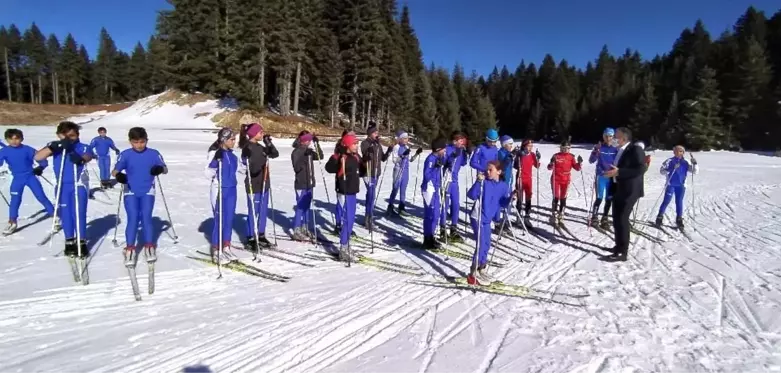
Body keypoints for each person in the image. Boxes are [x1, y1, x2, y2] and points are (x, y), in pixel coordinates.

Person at [35, 121, 94, 258]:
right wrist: (54, 146)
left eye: (72, 136)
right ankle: (69, 241)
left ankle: (81, 242)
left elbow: (88, 156)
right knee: (66, 214)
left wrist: (78, 157)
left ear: (77, 135)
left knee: (78, 214)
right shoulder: (56, 147)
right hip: (62, 186)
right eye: (65, 136)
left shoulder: (83, 147)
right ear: (59, 135)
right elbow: (38, 156)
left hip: (78, 185)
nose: (69, 139)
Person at [112, 127, 167, 267]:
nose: (139, 145)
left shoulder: (154, 153)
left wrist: (159, 169)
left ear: (146, 140)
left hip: (148, 189)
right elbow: (114, 171)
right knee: (133, 218)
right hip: (130, 190)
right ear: (130, 141)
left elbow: (165, 168)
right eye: (136, 142)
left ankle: (149, 245)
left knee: (146, 217)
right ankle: (130, 248)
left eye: (142, 142)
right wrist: (119, 176)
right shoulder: (125, 154)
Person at [602, 127, 646, 262]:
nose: (613, 139)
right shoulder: (620, 150)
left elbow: (641, 168)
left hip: (630, 190)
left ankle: (623, 252)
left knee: (622, 219)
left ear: (623, 138)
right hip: (618, 188)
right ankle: (618, 246)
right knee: (616, 218)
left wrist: (619, 172)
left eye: (616, 137)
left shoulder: (635, 149)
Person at [466, 160, 513, 285]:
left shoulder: (503, 186)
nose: (487, 172)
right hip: (478, 217)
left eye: (490, 170)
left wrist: (510, 198)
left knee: (487, 244)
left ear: (499, 171)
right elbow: (471, 195)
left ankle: (482, 268)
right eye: (487, 169)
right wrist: (478, 181)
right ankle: (473, 272)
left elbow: (502, 203)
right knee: (481, 244)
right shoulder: (484, 183)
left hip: (487, 219)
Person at [0, 129, 55, 235]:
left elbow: (41, 159)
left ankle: (55, 215)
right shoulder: (4, 151)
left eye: (17, 138)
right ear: (7, 140)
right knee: (15, 200)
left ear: (22, 139)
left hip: (30, 177)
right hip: (17, 179)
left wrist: (40, 167)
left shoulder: (28, 149)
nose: (14, 141)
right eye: (11, 139)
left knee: (41, 197)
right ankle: (12, 221)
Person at [239, 122, 279, 252]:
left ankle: (261, 235)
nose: (262, 134)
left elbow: (274, 154)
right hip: (253, 185)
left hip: (264, 184)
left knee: (263, 211)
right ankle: (250, 237)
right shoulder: (248, 148)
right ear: (253, 134)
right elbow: (253, 169)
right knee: (253, 211)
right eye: (260, 132)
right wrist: (263, 159)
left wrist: (269, 144)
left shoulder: (260, 147)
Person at [325, 133, 364, 260]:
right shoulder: (342, 157)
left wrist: (366, 162)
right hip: (344, 191)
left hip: (353, 191)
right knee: (347, 219)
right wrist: (337, 156)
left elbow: (362, 172)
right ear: (347, 144)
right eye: (354, 143)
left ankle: (346, 245)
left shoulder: (356, 157)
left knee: (351, 220)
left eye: (357, 143)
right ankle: (343, 247)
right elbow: (329, 168)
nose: (356, 145)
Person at [205, 128, 239, 261]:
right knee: (220, 219)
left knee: (229, 219)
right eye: (232, 139)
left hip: (232, 189)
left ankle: (226, 246)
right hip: (219, 189)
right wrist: (214, 162)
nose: (234, 142)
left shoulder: (232, 155)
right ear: (224, 140)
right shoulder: (214, 153)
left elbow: (241, 170)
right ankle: (216, 249)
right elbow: (207, 173)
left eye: (234, 139)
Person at [290, 131, 324, 241]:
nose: (309, 142)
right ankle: (296, 229)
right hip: (301, 184)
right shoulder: (296, 152)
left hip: (310, 183)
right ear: (303, 140)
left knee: (307, 207)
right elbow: (297, 168)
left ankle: (305, 227)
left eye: (310, 140)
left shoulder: (308, 151)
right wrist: (305, 156)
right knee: (300, 207)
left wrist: (317, 144)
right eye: (308, 140)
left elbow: (320, 156)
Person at [655, 145, 698, 229]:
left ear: (683, 152)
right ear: (674, 152)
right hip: (671, 185)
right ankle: (659, 217)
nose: (679, 152)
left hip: (681, 186)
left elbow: (694, 171)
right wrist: (671, 169)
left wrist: (694, 164)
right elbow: (662, 171)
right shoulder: (669, 161)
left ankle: (679, 219)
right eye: (677, 151)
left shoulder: (686, 162)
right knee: (666, 201)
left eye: (681, 151)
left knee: (679, 202)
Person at [360, 123, 391, 229]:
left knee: (371, 195)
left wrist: (388, 152)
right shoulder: (365, 143)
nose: (377, 134)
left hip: (376, 173)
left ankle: (369, 216)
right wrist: (369, 151)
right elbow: (365, 156)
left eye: (377, 133)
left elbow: (382, 158)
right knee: (371, 194)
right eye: (375, 133)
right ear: (370, 134)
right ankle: (368, 218)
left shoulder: (377, 144)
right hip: (368, 172)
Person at [439, 131, 469, 242]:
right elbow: (443, 162)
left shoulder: (461, 150)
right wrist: (452, 157)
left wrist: (465, 154)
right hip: (447, 179)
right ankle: (442, 229)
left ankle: (454, 228)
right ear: (454, 140)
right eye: (460, 140)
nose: (462, 142)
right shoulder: (448, 149)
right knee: (445, 204)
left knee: (456, 204)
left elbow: (463, 163)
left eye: (463, 140)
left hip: (455, 181)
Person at [387, 130, 422, 216]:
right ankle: (390, 207)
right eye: (405, 138)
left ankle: (401, 207)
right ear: (400, 139)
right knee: (395, 189)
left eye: (407, 138)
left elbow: (411, 159)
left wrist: (417, 153)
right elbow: (395, 160)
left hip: (406, 171)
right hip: (398, 170)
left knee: (403, 190)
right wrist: (402, 155)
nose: (407, 140)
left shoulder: (406, 147)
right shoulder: (396, 147)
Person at [547, 140, 582, 226]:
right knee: (556, 196)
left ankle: (561, 214)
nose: (566, 150)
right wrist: (552, 162)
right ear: (561, 148)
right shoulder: (556, 156)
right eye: (564, 148)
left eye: (567, 148)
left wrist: (580, 163)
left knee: (563, 197)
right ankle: (554, 214)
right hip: (556, 179)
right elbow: (549, 167)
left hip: (566, 180)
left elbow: (577, 168)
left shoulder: (571, 157)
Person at [588, 127, 618, 228]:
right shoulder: (600, 147)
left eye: (610, 136)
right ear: (603, 136)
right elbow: (591, 160)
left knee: (609, 199)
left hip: (610, 177)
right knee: (599, 198)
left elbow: (620, 162)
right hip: (601, 177)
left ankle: (605, 217)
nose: (608, 138)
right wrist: (596, 150)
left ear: (613, 137)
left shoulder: (616, 149)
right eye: (606, 136)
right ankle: (594, 217)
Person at [421, 137, 448, 250]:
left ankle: (431, 236)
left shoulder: (438, 157)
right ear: (438, 149)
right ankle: (427, 238)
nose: (445, 151)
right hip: (429, 189)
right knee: (430, 215)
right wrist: (435, 168)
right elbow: (427, 175)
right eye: (443, 149)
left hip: (436, 188)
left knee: (436, 214)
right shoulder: (430, 159)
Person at [513, 139, 540, 227]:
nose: (530, 148)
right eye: (528, 146)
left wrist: (538, 158)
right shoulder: (520, 154)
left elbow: (537, 166)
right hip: (520, 178)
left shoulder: (532, 155)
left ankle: (527, 217)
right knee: (520, 199)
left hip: (528, 180)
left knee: (528, 199)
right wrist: (518, 156)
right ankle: (518, 218)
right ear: (524, 146)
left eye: (531, 146)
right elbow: (515, 166)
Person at [334, 129, 356, 235]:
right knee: (341, 203)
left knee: (347, 206)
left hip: (350, 181)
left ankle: (345, 226)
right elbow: (335, 163)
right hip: (341, 180)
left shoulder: (352, 149)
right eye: (350, 135)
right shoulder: (339, 148)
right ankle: (338, 224)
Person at [494, 135, 516, 228]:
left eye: (512, 144)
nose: (511, 146)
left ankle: (505, 220)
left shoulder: (508, 152)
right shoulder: (500, 153)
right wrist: (509, 157)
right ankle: (497, 221)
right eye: (510, 144)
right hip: (502, 181)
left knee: (509, 201)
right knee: (500, 202)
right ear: (504, 144)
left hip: (509, 181)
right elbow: (503, 166)